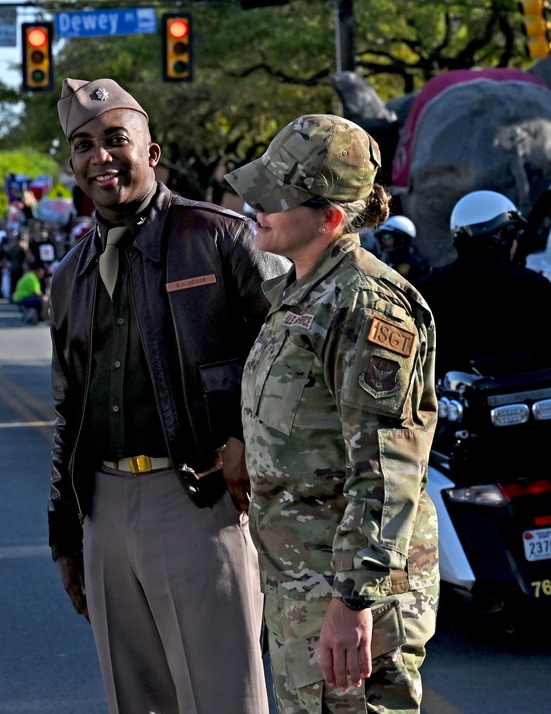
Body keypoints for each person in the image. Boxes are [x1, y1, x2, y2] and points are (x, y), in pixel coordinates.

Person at [49, 77, 287, 714]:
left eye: (115, 140)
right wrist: (66, 534)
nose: (100, 156)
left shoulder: (219, 237)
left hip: (199, 500)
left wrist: (247, 442)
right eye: (83, 146)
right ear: (71, 164)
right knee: (139, 703)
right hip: (103, 510)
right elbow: (69, 410)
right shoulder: (68, 275)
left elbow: (297, 347)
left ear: (151, 153)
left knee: (223, 699)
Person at [226, 114, 440, 713]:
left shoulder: (365, 306)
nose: (256, 207)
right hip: (303, 583)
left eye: (276, 198)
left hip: (349, 593)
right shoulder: (301, 292)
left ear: (332, 218)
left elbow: (387, 466)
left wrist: (354, 601)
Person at [417, 190, 551, 376]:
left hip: (454, 401)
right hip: (532, 401)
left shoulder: (427, 291)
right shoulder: (536, 285)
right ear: (505, 235)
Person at [375, 214, 431, 285]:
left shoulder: (414, 263)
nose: (383, 240)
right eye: (382, 237)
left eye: (387, 236)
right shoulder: (391, 260)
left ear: (401, 239)